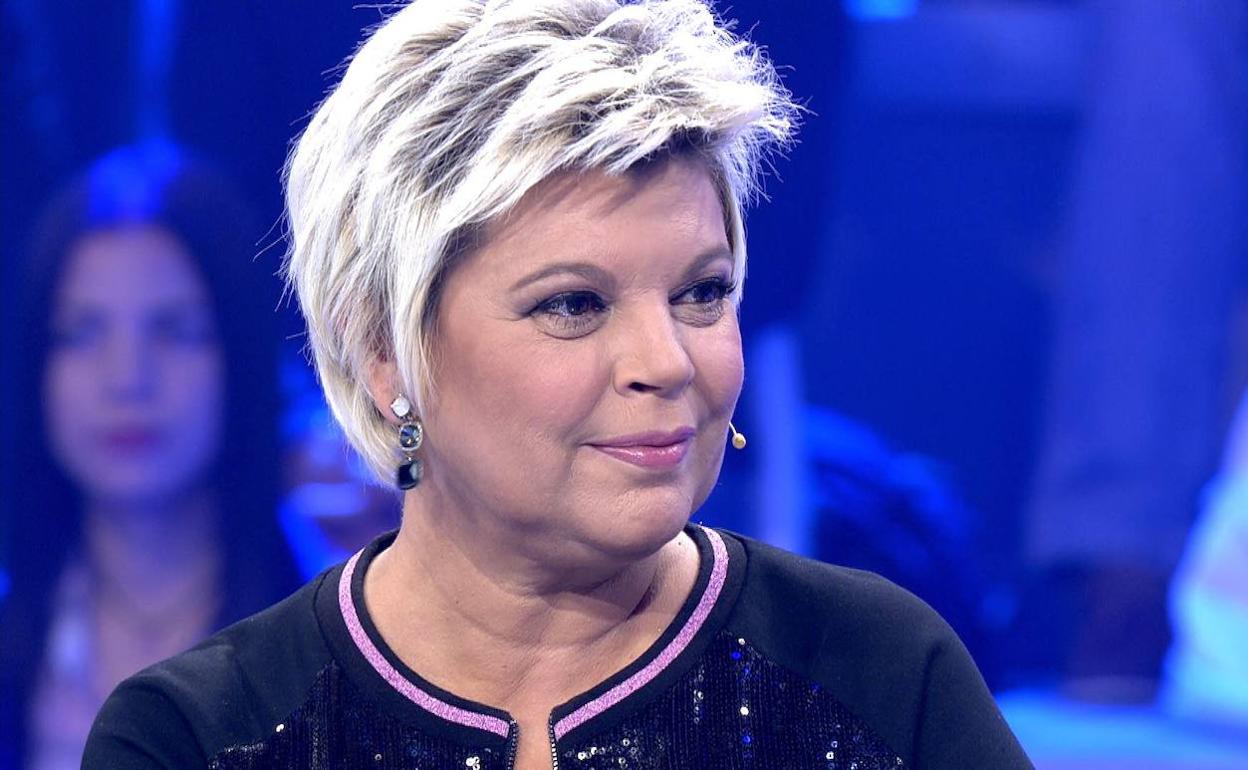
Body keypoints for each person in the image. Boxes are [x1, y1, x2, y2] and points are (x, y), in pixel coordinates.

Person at [84, 2, 1032, 768]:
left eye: (702, 293)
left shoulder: (876, 676)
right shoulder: (199, 737)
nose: (667, 361)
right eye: (574, 304)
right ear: (383, 349)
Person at [0, 142, 301, 770]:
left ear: (239, 358)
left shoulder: (337, 652)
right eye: (82, 333)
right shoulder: (18, 649)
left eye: (174, 329)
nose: (127, 379)